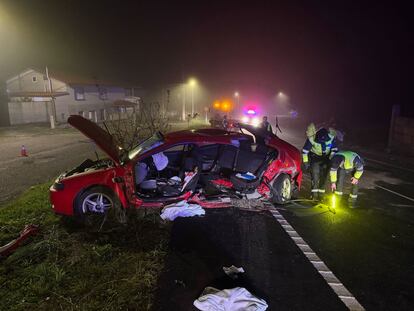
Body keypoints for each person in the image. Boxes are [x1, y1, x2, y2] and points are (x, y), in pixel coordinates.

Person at [302, 123, 338, 200]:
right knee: (315, 178)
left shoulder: (331, 138)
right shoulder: (311, 139)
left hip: (326, 158)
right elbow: (305, 152)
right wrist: (306, 164)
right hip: (315, 158)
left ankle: (321, 196)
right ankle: (314, 196)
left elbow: (334, 149)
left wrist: (330, 159)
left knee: (324, 177)